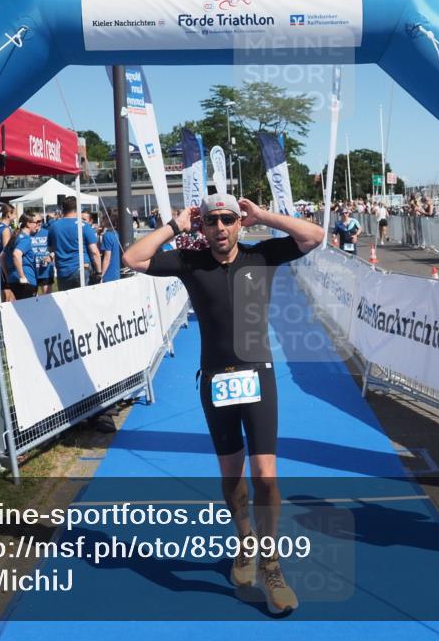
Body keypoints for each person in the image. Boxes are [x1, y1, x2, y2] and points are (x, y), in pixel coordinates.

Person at [123, 193, 323, 614]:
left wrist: (263, 215)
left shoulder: (262, 255)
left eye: (227, 220)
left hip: (258, 379)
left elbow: (315, 235)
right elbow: (134, 258)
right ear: (203, 227)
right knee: (232, 476)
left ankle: (271, 564)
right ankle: (245, 540)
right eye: (211, 221)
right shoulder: (190, 262)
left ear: (238, 223)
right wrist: (176, 226)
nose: (220, 227)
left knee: (265, 475)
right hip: (215, 383)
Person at [47, 196, 101, 291]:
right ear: (77, 208)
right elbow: (94, 251)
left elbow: (51, 249)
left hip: (63, 271)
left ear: (62, 209)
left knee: (67, 303)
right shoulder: (84, 226)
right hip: (82, 268)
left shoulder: (53, 226)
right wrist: (99, 272)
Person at [4, 213, 41, 300]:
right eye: (36, 222)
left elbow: (2, 256)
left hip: (13, 279)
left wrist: (7, 275)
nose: (38, 224)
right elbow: (16, 254)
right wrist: (22, 276)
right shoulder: (25, 238)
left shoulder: (14, 237)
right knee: (29, 311)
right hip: (26, 279)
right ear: (28, 224)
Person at [0, 203, 16, 302]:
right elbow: (6, 251)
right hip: (4, 266)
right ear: (9, 214)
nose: (15, 217)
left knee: (4, 296)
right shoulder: (5, 229)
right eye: (14, 214)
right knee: (9, 296)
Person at [31, 213, 54, 296]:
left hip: (45, 271)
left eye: (39, 221)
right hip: (31, 271)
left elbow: (55, 249)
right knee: (32, 300)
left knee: (47, 299)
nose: (37, 223)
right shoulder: (27, 234)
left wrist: (50, 257)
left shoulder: (48, 233)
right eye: (34, 222)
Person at [99, 213, 123, 283]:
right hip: (119, 272)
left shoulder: (107, 236)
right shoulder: (119, 234)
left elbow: (107, 258)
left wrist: (102, 275)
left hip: (110, 273)